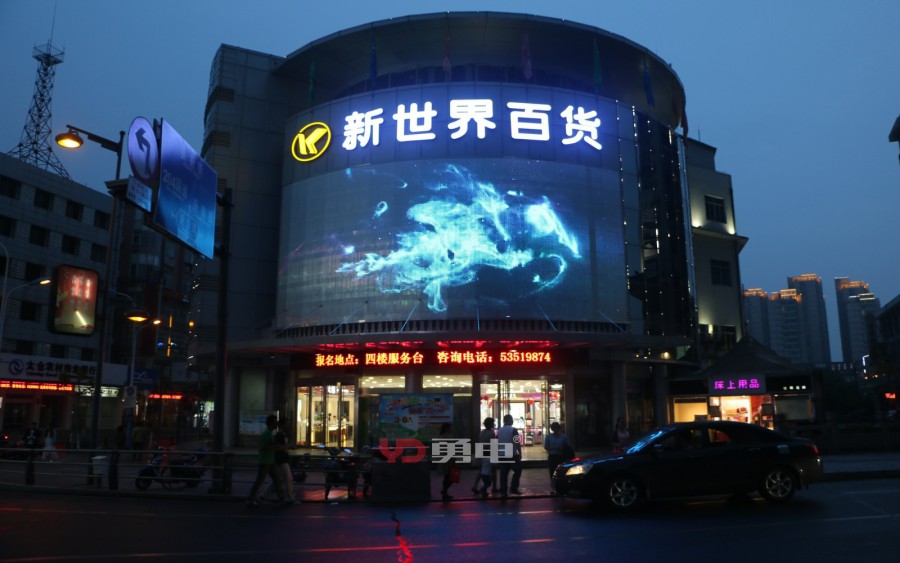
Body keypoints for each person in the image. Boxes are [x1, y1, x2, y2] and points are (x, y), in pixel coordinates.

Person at [247, 414, 288, 507]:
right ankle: (251, 498)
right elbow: (264, 447)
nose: (277, 424)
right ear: (271, 423)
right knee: (261, 480)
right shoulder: (266, 434)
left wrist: (275, 447)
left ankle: (281, 497)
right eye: (275, 422)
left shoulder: (269, 433)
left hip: (269, 460)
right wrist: (276, 447)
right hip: (265, 461)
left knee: (275, 479)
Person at [266, 418, 297, 503]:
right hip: (281, 459)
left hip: (281, 459)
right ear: (282, 425)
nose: (288, 426)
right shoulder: (280, 435)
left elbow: (281, 447)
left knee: (278, 479)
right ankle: (289, 496)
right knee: (288, 478)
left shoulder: (282, 435)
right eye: (287, 424)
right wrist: (289, 446)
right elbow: (279, 447)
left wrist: (288, 447)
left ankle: (263, 495)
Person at [496, 414, 523, 497]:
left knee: (503, 473)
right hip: (512, 454)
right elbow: (517, 442)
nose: (512, 421)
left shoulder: (499, 430)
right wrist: (520, 453)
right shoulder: (513, 430)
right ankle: (513, 488)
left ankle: (503, 491)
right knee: (518, 470)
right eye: (511, 419)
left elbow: (496, 441)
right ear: (508, 420)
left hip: (502, 454)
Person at [543, 421, 572, 487]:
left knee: (561, 472)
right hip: (552, 456)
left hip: (561, 456)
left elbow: (569, 446)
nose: (555, 430)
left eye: (557, 428)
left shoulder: (564, 437)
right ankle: (554, 486)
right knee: (552, 472)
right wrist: (554, 448)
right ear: (552, 429)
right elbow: (546, 447)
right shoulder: (549, 437)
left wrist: (562, 449)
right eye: (554, 428)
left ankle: (560, 485)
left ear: (559, 428)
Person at [472, 417, 495, 498]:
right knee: (490, 470)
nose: (494, 424)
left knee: (481, 470)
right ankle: (487, 487)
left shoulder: (481, 432)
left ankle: (475, 486)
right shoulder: (491, 433)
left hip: (480, 450)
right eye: (493, 423)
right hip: (487, 452)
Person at [437, 422, 457, 501]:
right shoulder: (448, 437)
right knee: (450, 477)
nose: (452, 429)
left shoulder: (440, 437)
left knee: (446, 477)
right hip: (448, 460)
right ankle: (444, 491)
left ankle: (445, 491)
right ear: (447, 429)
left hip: (443, 459)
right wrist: (454, 461)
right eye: (450, 428)